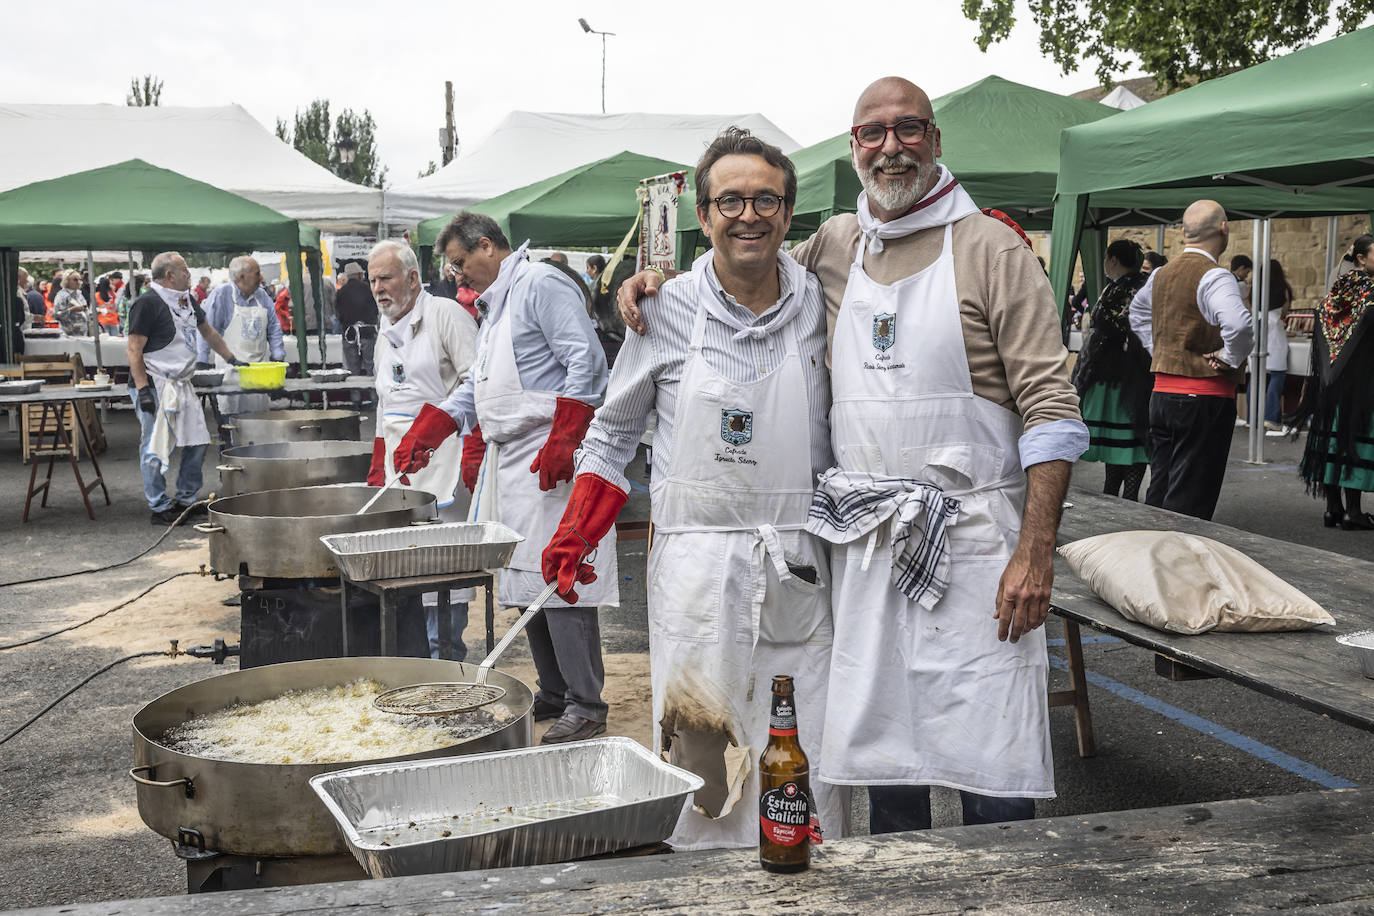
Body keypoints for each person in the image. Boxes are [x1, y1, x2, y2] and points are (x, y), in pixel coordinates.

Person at [620, 77, 1087, 833]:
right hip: (865, 551)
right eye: (873, 133)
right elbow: (746, 265)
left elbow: (1053, 412)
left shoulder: (992, 249)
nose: (891, 146)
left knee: (987, 758)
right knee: (882, 757)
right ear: (854, 147)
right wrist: (660, 284)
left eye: (909, 129)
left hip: (973, 552)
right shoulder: (836, 244)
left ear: (935, 141)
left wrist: (1036, 554)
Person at [543, 128, 848, 849]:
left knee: (799, 744)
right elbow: (614, 431)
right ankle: (701, 874)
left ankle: (801, 874)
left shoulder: (823, 300)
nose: (750, 215)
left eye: (766, 199)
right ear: (704, 215)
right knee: (699, 751)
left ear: (787, 211)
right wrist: (580, 523)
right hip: (693, 566)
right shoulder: (662, 308)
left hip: (796, 563)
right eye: (731, 200)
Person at [402, 211, 616, 744]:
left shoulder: (540, 283)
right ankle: (554, 688)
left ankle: (586, 703)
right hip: (513, 462)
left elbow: (585, 361)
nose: (457, 276)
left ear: (486, 247)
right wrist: (433, 428)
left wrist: (567, 434)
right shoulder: (496, 303)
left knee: (560, 583)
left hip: (552, 459)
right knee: (523, 579)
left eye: (458, 263)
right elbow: (478, 384)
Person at [367, 239, 480, 660]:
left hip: (445, 461)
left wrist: (460, 438)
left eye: (387, 278)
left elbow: (478, 380)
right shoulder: (384, 329)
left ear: (413, 278)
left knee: (444, 574)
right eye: (373, 280)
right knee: (407, 574)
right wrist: (379, 459)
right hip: (402, 470)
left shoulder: (445, 315)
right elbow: (385, 401)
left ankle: (448, 664)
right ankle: (418, 664)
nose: (378, 288)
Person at [1128, 200, 1253, 521]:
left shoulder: (1160, 274)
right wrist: (1229, 358)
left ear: (1184, 233)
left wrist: (1159, 350)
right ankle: (1176, 565)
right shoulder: (1215, 277)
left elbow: (1137, 313)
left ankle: (1152, 560)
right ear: (1223, 229)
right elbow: (1239, 326)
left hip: (1163, 393)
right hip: (1204, 396)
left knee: (1161, 487)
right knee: (1190, 500)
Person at [126, 252, 246, 525]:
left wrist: (231, 358)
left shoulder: (187, 300)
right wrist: (143, 389)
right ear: (169, 276)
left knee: (197, 440)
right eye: (184, 271)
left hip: (181, 383)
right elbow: (133, 349)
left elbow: (208, 332)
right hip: (155, 384)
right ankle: (158, 506)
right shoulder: (146, 303)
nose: (189, 276)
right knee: (156, 447)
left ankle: (186, 499)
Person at [1296, 235, 1374, 529]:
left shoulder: (1339, 291)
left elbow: (1323, 324)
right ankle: (1353, 511)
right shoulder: (1368, 293)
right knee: (1354, 438)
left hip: (1332, 382)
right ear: (1361, 259)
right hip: (1362, 382)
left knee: (1333, 439)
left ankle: (1333, 509)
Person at [1073, 240, 1152, 500]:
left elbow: (1119, 326)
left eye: (1107, 258)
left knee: (1130, 437)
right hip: (1115, 374)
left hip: (1128, 375)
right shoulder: (1120, 286)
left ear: (1114, 260)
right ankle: (1114, 492)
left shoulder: (1137, 287)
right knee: (1119, 442)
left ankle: (1127, 495)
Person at [199, 256, 284, 420]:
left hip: (260, 374)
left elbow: (274, 329)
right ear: (242, 277)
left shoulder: (263, 297)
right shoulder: (221, 296)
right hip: (231, 374)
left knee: (258, 426)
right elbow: (206, 331)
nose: (261, 277)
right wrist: (202, 363)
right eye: (257, 273)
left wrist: (278, 358)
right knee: (232, 427)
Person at [337, 261, 379, 406]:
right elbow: (375, 309)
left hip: (349, 335)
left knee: (353, 369)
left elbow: (339, 314)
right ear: (359, 274)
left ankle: (356, 400)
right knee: (370, 367)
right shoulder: (367, 289)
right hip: (366, 333)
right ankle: (374, 398)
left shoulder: (341, 292)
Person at [1263, 258, 1293, 432]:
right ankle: (1271, 418)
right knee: (1277, 373)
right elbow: (1284, 311)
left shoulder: (1254, 288)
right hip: (1274, 327)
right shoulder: (1283, 288)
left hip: (1257, 326)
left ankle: (1253, 418)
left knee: (1256, 376)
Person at [52, 270, 91, 336]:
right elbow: (57, 315)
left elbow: (85, 309)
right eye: (75, 280)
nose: (79, 282)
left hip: (82, 333)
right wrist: (72, 310)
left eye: (80, 280)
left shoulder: (79, 294)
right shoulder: (62, 296)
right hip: (69, 335)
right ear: (66, 281)